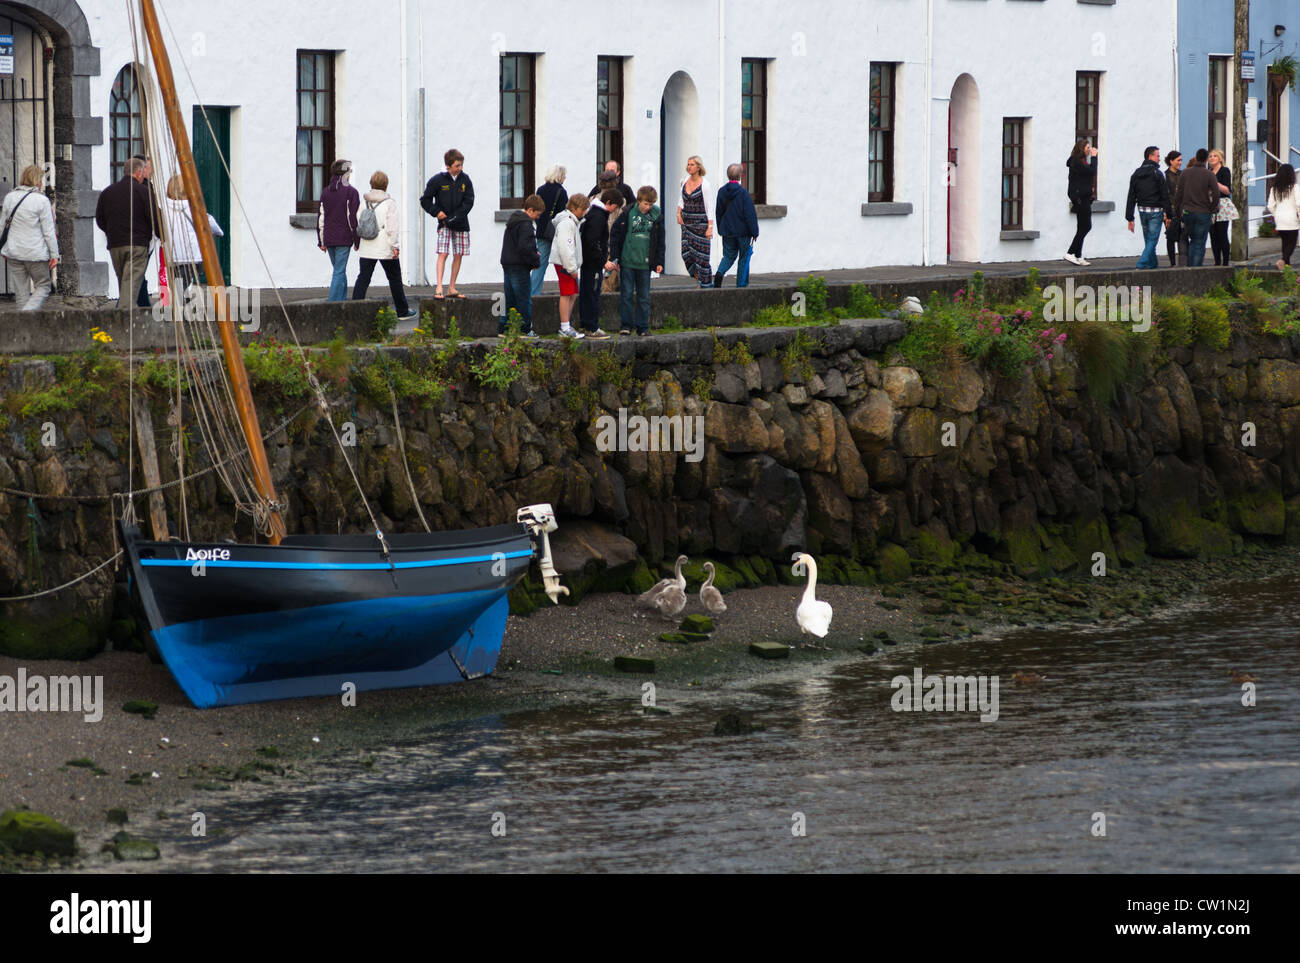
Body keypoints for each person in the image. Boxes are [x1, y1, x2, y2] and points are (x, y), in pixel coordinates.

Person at [95, 156, 160, 309]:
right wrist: (160, 236)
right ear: (139, 172)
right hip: (137, 245)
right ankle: (123, 322)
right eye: (144, 170)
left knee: (124, 284)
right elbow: (154, 218)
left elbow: (100, 219)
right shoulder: (144, 192)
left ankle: (127, 316)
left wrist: (111, 233)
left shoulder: (108, 192)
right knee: (129, 288)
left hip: (115, 245)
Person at [352, 170, 415, 320]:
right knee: (394, 279)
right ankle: (402, 311)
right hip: (384, 245)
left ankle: (353, 309)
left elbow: (358, 220)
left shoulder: (364, 202)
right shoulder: (389, 203)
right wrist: (395, 246)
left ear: (371, 184)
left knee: (363, 278)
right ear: (386, 185)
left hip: (367, 245)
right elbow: (392, 227)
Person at [0, 163, 58, 311]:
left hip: (14, 252)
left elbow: (2, 226)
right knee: (43, 286)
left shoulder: (10, 198)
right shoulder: (42, 201)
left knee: (21, 293)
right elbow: (48, 231)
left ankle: (22, 326)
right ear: (38, 181)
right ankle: (27, 314)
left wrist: (3, 248)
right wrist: (54, 254)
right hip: (35, 253)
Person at [609, 185, 665, 336]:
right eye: (645, 203)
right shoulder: (628, 213)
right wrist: (616, 256)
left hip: (645, 263)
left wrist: (659, 261)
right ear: (639, 201)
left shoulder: (657, 216)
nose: (648, 207)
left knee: (644, 297)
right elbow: (615, 233)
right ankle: (626, 325)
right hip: (627, 262)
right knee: (626, 295)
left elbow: (660, 241)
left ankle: (643, 327)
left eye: (651, 204)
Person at [420, 148, 474, 299]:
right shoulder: (437, 180)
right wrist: (436, 212)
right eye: (457, 165)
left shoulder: (465, 180)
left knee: (458, 254)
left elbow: (469, 201)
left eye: (461, 165)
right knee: (443, 253)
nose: (460, 168)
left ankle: (452, 287)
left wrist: (457, 216)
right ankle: (439, 287)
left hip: (461, 223)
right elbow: (425, 200)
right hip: (444, 224)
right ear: (448, 166)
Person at [163, 174, 224, 293]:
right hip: (191, 255)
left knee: (176, 284)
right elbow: (211, 224)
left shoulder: (163, 208)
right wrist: (219, 232)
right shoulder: (194, 208)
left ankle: (179, 303)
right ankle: (181, 304)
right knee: (184, 283)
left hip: (171, 254)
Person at [578, 188, 621, 339]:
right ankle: (592, 327)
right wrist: (604, 262)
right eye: (614, 207)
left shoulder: (593, 213)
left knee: (587, 292)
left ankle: (586, 324)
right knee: (592, 294)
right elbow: (593, 242)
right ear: (608, 203)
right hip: (593, 264)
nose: (614, 211)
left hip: (588, 262)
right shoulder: (599, 217)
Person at [500, 193, 543, 337]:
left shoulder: (513, 222)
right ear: (530, 210)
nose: (538, 217)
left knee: (510, 298)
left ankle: (505, 328)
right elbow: (525, 247)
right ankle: (525, 329)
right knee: (523, 298)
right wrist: (535, 260)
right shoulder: (526, 224)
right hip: (520, 266)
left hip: (508, 263)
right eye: (537, 214)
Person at [317, 158, 359, 301]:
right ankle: (333, 304)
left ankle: (342, 301)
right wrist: (356, 239)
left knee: (339, 270)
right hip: (344, 237)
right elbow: (352, 218)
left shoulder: (325, 192)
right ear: (345, 173)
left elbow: (321, 218)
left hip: (329, 237)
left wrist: (321, 240)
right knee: (339, 271)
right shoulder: (351, 192)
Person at [550, 193, 589, 339]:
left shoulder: (571, 221)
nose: (584, 212)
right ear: (575, 208)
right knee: (566, 294)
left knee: (573, 293)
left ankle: (566, 325)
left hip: (567, 263)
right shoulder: (567, 223)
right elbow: (566, 247)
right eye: (583, 209)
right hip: (564, 264)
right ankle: (564, 327)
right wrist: (571, 268)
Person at [713, 163, 759, 288]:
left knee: (728, 256)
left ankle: (719, 273)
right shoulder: (743, 193)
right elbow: (750, 215)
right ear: (740, 176)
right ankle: (741, 285)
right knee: (743, 258)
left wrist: (720, 229)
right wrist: (755, 232)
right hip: (743, 232)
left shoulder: (722, 192)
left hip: (727, 231)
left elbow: (719, 212)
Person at [1124, 145, 1170, 270]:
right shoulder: (1158, 174)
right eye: (1158, 156)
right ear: (1151, 156)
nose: (1159, 159)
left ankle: (1153, 265)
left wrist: (1130, 217)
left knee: (1149, 240)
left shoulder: (1136, 173)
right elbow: (1165, 195)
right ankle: (1142, 263)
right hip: (1155, 211)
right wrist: (1169, 214)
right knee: (1152, 240)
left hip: (1142, 210)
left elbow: (1131, 196)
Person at [1173, 150, 1220, 267]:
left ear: (1196, 158)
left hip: (1188, 212)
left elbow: (1178, 195)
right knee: (1199, 243)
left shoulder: (1185, 173)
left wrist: (1178, 212)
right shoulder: (1209, 174)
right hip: (1203, 212)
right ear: (1206, 160)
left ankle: (1189, 269)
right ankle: (1195, 270)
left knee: (1192, 240)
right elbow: (1216, 194)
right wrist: (1212, 208)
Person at [676, 155, 715, 287]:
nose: (689, 167)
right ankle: (698, 278)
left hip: (701, 224)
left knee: (701, 258)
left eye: (692, 164)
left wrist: (710, 227)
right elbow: (681, 199)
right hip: (687, 223)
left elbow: (709, 207)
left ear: (698, 167)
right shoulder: (684, 181)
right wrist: (678, 213)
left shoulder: (705, 185)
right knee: (686, 253)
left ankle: (705, 283)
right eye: (688, 164)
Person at [531, 165, 568, 297]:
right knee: (566, 264)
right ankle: (572, 290)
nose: (565, 178)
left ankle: (533, 294)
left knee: (540, 265)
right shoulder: (561, 192)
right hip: (556, 233)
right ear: (559, 176)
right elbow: (563, 215)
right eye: (564, 175)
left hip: (542, 231)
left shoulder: (540, 190)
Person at [1065, 139, 1098, 265]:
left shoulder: (1081, 161)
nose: (1090, 150)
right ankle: (1070, 252)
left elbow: (1087, 174)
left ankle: (1078, 255)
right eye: (1088, 147)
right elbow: (1091, 171)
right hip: (1080, 198)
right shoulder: (1076, 161)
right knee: (1086, 226)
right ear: (1082, 149)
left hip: (1084, 197)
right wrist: (1094, 158)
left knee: (1081, 227)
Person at [1265, 163, 1299, 269]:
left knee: (1285, 242)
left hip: (1279, 217)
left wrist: (1276, 214)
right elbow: (1298, 203)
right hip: (1292, 217)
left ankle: (1286, 268)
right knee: (1292, 243)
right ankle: (1283, 260)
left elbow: (1270, 206)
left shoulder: (1274, 189)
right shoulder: (1295, 187)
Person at [131, 154, 155, 307]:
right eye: (151, 167)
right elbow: (151, 214)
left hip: (136, 238)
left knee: (137, 274)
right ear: (142, 170)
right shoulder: (144, 189)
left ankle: (142, 304)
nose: (153, 171)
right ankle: (142, 306)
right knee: (138, 275)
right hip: (142, 239)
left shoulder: (145, 186)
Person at [1207, 148, 1234, 266]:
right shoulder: (1208, 172)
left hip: (1222, 204)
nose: (1212, 158)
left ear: (1220, 159)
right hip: (1210, 205)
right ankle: (1217, 262)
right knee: (1213, 235)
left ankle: (1225, 262)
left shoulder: (1224, 171)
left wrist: (1214, 182)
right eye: (1210, 156)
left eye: (1215, 156)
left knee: (1222, 233)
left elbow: (1227, 190)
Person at [1164, 151, 1184, 267]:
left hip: (1182, 210)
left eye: (1181, 160)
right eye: (1178, 160)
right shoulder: (1165, 175)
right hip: (1170, 210)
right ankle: (1172, 263)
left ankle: (1182, 261)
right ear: (1171, 161)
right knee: (1170, 236)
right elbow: (1164, 195)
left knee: (1182, 236)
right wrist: (1165, 213)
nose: (1180, 163)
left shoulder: (1182, 174)